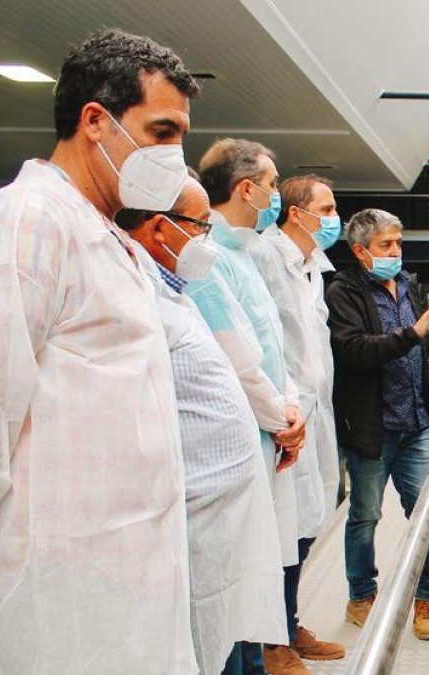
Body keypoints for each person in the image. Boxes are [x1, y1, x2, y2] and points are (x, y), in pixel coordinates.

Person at [0, 29, 201, 673]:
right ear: (96, 120)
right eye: (162, 132)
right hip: (67, 576)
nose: (176, 156)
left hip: (129, 565)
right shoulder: (22, 221)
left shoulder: (100, 231)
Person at [116, 177, 289, 674]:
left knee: (230, 639)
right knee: (204, 650)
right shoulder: (140, 299)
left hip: (223, 522)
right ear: (158, 229)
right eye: (199, 227)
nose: (206, 241)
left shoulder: (177, 294)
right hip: (190, 524)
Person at [327, 208, 429, 640]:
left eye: (398, 243)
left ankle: (426, 597)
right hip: (372, 429)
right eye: (385, 246)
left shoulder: (407, 285)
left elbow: (418, 344)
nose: (396, 252)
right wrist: (412, 335)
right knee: (365, 516)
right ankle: (361, 595)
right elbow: (355, 350)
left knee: (426, 514)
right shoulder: (343, 292)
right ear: (360, 251)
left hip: (415, 424)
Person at [196, 138, 313, 674]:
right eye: (271, 185)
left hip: (272, 434)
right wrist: (281, 420)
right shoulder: (211, 260)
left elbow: (274, 349)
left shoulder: (243, 255)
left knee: (260, 570)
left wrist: (288, 409)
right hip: (242, 441)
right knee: (238, 581)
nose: (274, 195)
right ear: (247, 188)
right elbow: (236, 358)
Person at [248, 174, 348, 663]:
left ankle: (288, 625)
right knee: (282, 534)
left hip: (315, 414)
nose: (334, 219)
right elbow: (262, 342)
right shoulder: (266, 257)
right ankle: (272, 642)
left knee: (307, 527)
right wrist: (279, 407)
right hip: (283, 418)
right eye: (326, 210)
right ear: (296, 212)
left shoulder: (313, 266)